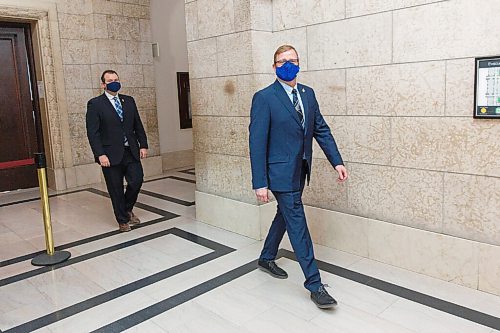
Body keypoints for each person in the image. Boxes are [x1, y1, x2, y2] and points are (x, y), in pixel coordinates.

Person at [249, 45, 348, 308]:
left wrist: (336, 161)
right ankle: (315, 285)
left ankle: (267, 256)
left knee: (284, 214)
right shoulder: (264, 97)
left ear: (299, 63)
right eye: (282, 62)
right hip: (279, 174)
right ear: (274, 67)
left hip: (300, 171)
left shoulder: (308, 94)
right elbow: (256, 143)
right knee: (297, 224)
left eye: (291, 60)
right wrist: (260, 181)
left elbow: (321, 130)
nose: (287, 65)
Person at [86, 70, 148, 232]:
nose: (114, 82)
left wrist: (143, 145)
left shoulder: (129, 101)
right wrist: (100, 154)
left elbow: (137, 125)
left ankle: (126, 209)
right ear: (103, 84)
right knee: (115, 188)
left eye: (116, 79)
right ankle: (122, 220)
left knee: (137, 180)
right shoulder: (95, 104)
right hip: (110, 154)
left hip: (131, 150)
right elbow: (93, 132)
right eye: (110, 80)